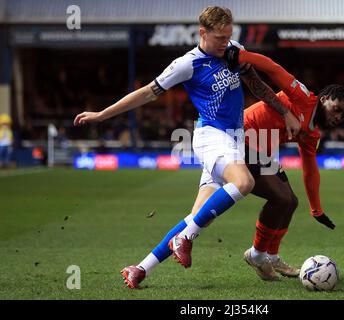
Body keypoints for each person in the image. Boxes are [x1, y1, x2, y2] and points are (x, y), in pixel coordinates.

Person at [73, 6, 300, 288]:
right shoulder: (187, 64)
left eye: (228, 36)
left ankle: (140, 268)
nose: (225, 43)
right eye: (219, 37)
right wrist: (101, 114)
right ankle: (185, 238)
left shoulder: (233, 50)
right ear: (202, 33)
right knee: (243, 182)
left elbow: (256, 84)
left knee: (197, 217)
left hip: (235, 138)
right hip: (212, 137)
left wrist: (284, 111)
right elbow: (147, 92)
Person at [127, 49, 344, 286]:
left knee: (204, 216)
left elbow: (310, 169)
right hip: (239, 138)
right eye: (337, 108)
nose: (339, 116)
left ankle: (141, 268)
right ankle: (259, 256)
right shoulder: (303, 97)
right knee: (281, 197)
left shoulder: (312, 133)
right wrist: (241, 56)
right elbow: (273, 68)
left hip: (254, 150)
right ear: (325, 98)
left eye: (343, 115)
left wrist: (316, 209)